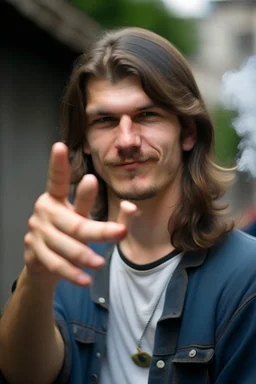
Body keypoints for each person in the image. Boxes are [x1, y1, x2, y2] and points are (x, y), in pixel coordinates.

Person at [0, 27, 256, 384]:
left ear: (188, 132)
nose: (126, 140)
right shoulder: (66, 257)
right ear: (85, 141)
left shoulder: (247, 275)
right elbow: (23, 374)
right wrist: (37, 277)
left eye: (147, 115)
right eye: (104, 120)